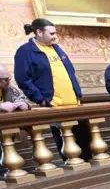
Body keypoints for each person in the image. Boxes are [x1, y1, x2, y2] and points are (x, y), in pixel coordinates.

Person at [14, 18, 91, 160]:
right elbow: (23, 79)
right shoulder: (26, 51)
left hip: (74, 105)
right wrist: (40, 100)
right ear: (39, 32)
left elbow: (69, 72)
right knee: (68, 148)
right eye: (52, 33)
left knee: (85, 144)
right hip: (54, 106)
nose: (55, 36)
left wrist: (77, 93)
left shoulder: (56, 48)